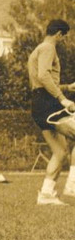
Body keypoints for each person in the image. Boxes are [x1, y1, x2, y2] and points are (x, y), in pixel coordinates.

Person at [27, 19, 75, 205]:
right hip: (48, 103)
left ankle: (46, 194)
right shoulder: (48, 48)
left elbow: (41, 82)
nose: (63, 40)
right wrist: (62, 98)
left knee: (60, 152)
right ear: (58, 34)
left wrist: (67, 87)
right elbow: (43, 76)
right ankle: (72, 185)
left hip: (40, 103)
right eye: (64, 36)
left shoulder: (37, 50)